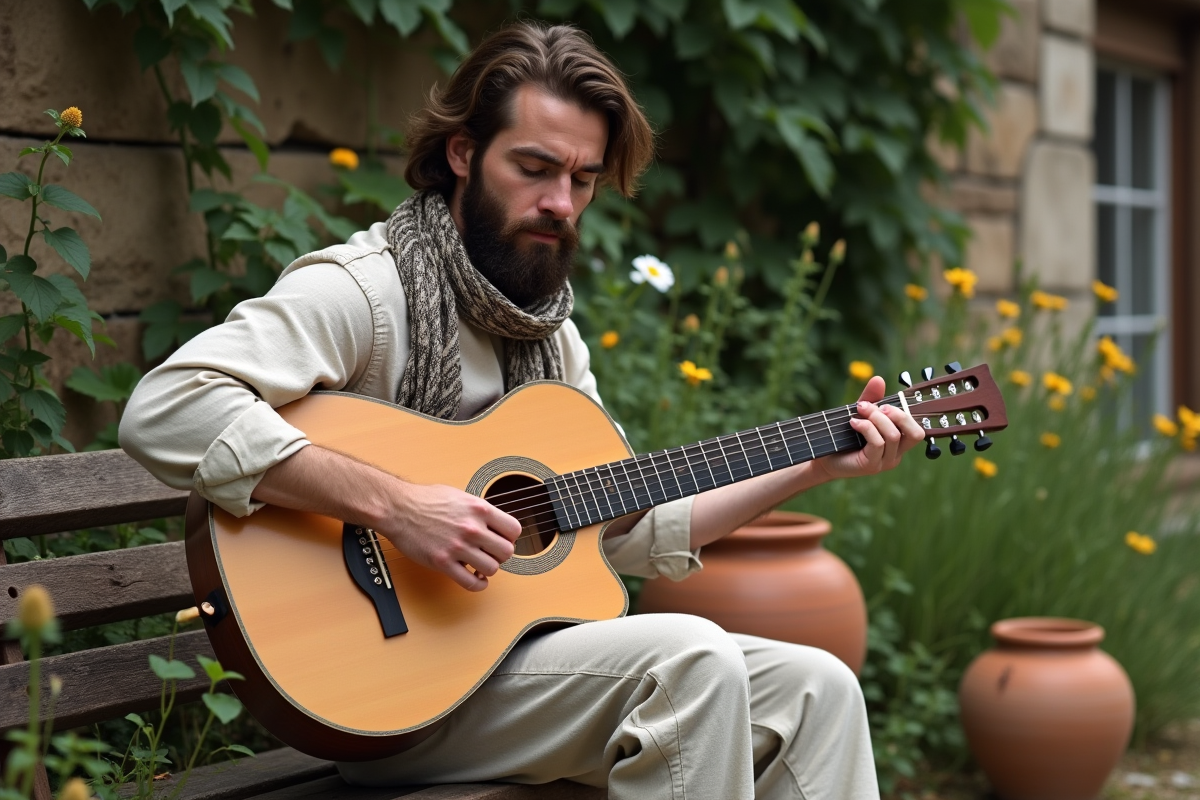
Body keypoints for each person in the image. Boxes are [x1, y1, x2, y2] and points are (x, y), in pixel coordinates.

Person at [120, 20, 925, 800]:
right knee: (690, 661)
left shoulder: (551, 339)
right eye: (535, 168)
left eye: (582, 179)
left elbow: (626, 531)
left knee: (818, 686)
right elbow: (167, 408)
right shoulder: (364, 291)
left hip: (513, 668)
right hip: (387, 695)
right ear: (463, 152)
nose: (562, 203)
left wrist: (814, 463)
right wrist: (398, 507)